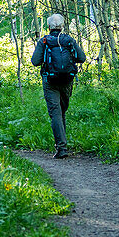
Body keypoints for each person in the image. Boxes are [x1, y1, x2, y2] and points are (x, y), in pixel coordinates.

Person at [31, 14, 86, 159]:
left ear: (49, 27)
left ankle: (61, 148)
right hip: (67, 81)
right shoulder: (69, 40)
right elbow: (82, 58)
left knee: (55, 113)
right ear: (62, 26)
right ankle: (63, 145)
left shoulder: (44, 41)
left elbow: (35, 61)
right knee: (61, 112)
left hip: (50, 82)